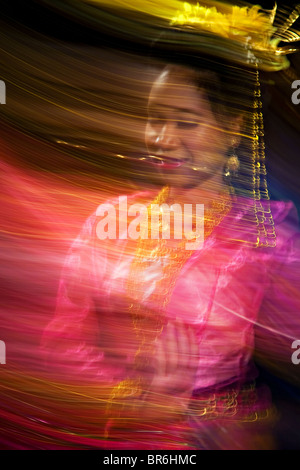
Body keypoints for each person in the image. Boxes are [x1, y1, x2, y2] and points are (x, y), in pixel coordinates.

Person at [41, 2, 300, 449]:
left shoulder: (269, 240)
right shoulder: (113, 221)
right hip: (115, 438)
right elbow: (60, 343)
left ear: (232, 128)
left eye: (186, 121)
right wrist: (128, 400)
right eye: (154, 118)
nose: (162, 138)